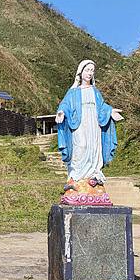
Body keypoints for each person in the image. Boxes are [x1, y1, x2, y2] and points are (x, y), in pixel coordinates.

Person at [55, 60, 124, 204]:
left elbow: (102, 107)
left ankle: (93, 176)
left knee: (93, 148)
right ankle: (77, 177)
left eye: (92, 70)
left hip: (93, 124)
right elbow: (65, 104)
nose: (90, 73)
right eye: (87, 70)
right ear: (80, 72)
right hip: (80, 123)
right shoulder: (74, 91)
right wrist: (61, 112)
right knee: (81, 146)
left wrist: (111, 111)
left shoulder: (95, 91)